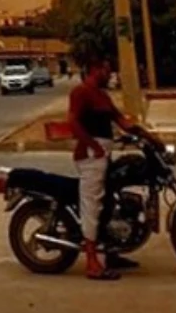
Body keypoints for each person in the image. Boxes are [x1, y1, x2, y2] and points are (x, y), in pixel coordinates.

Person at [68, 57, 163, 281]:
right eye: (106, 70)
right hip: (90, 156)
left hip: (104, 153)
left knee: (111, 198)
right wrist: (94, 147)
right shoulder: (81, 92)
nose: (110, 74)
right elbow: (73, 122)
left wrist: (149, 137)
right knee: (93, 203)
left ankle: (111, 252)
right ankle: (92, 262)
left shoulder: (103, 96)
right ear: (94, 69)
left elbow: (122, 121)